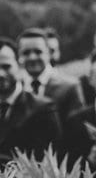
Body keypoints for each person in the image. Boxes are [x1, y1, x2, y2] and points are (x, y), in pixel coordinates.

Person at [0, 37, 62, 168]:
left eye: (6, 66)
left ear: (19, 64)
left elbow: (47, 162)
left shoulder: (43, 109)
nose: (0, 73)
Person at [17, 28, 85, 122]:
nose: (32, 57)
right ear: (19, 55)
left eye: (38, 51)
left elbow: (77, 129)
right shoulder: (16, 86)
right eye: (26, 53)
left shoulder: (69, 87)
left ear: (48, 53)